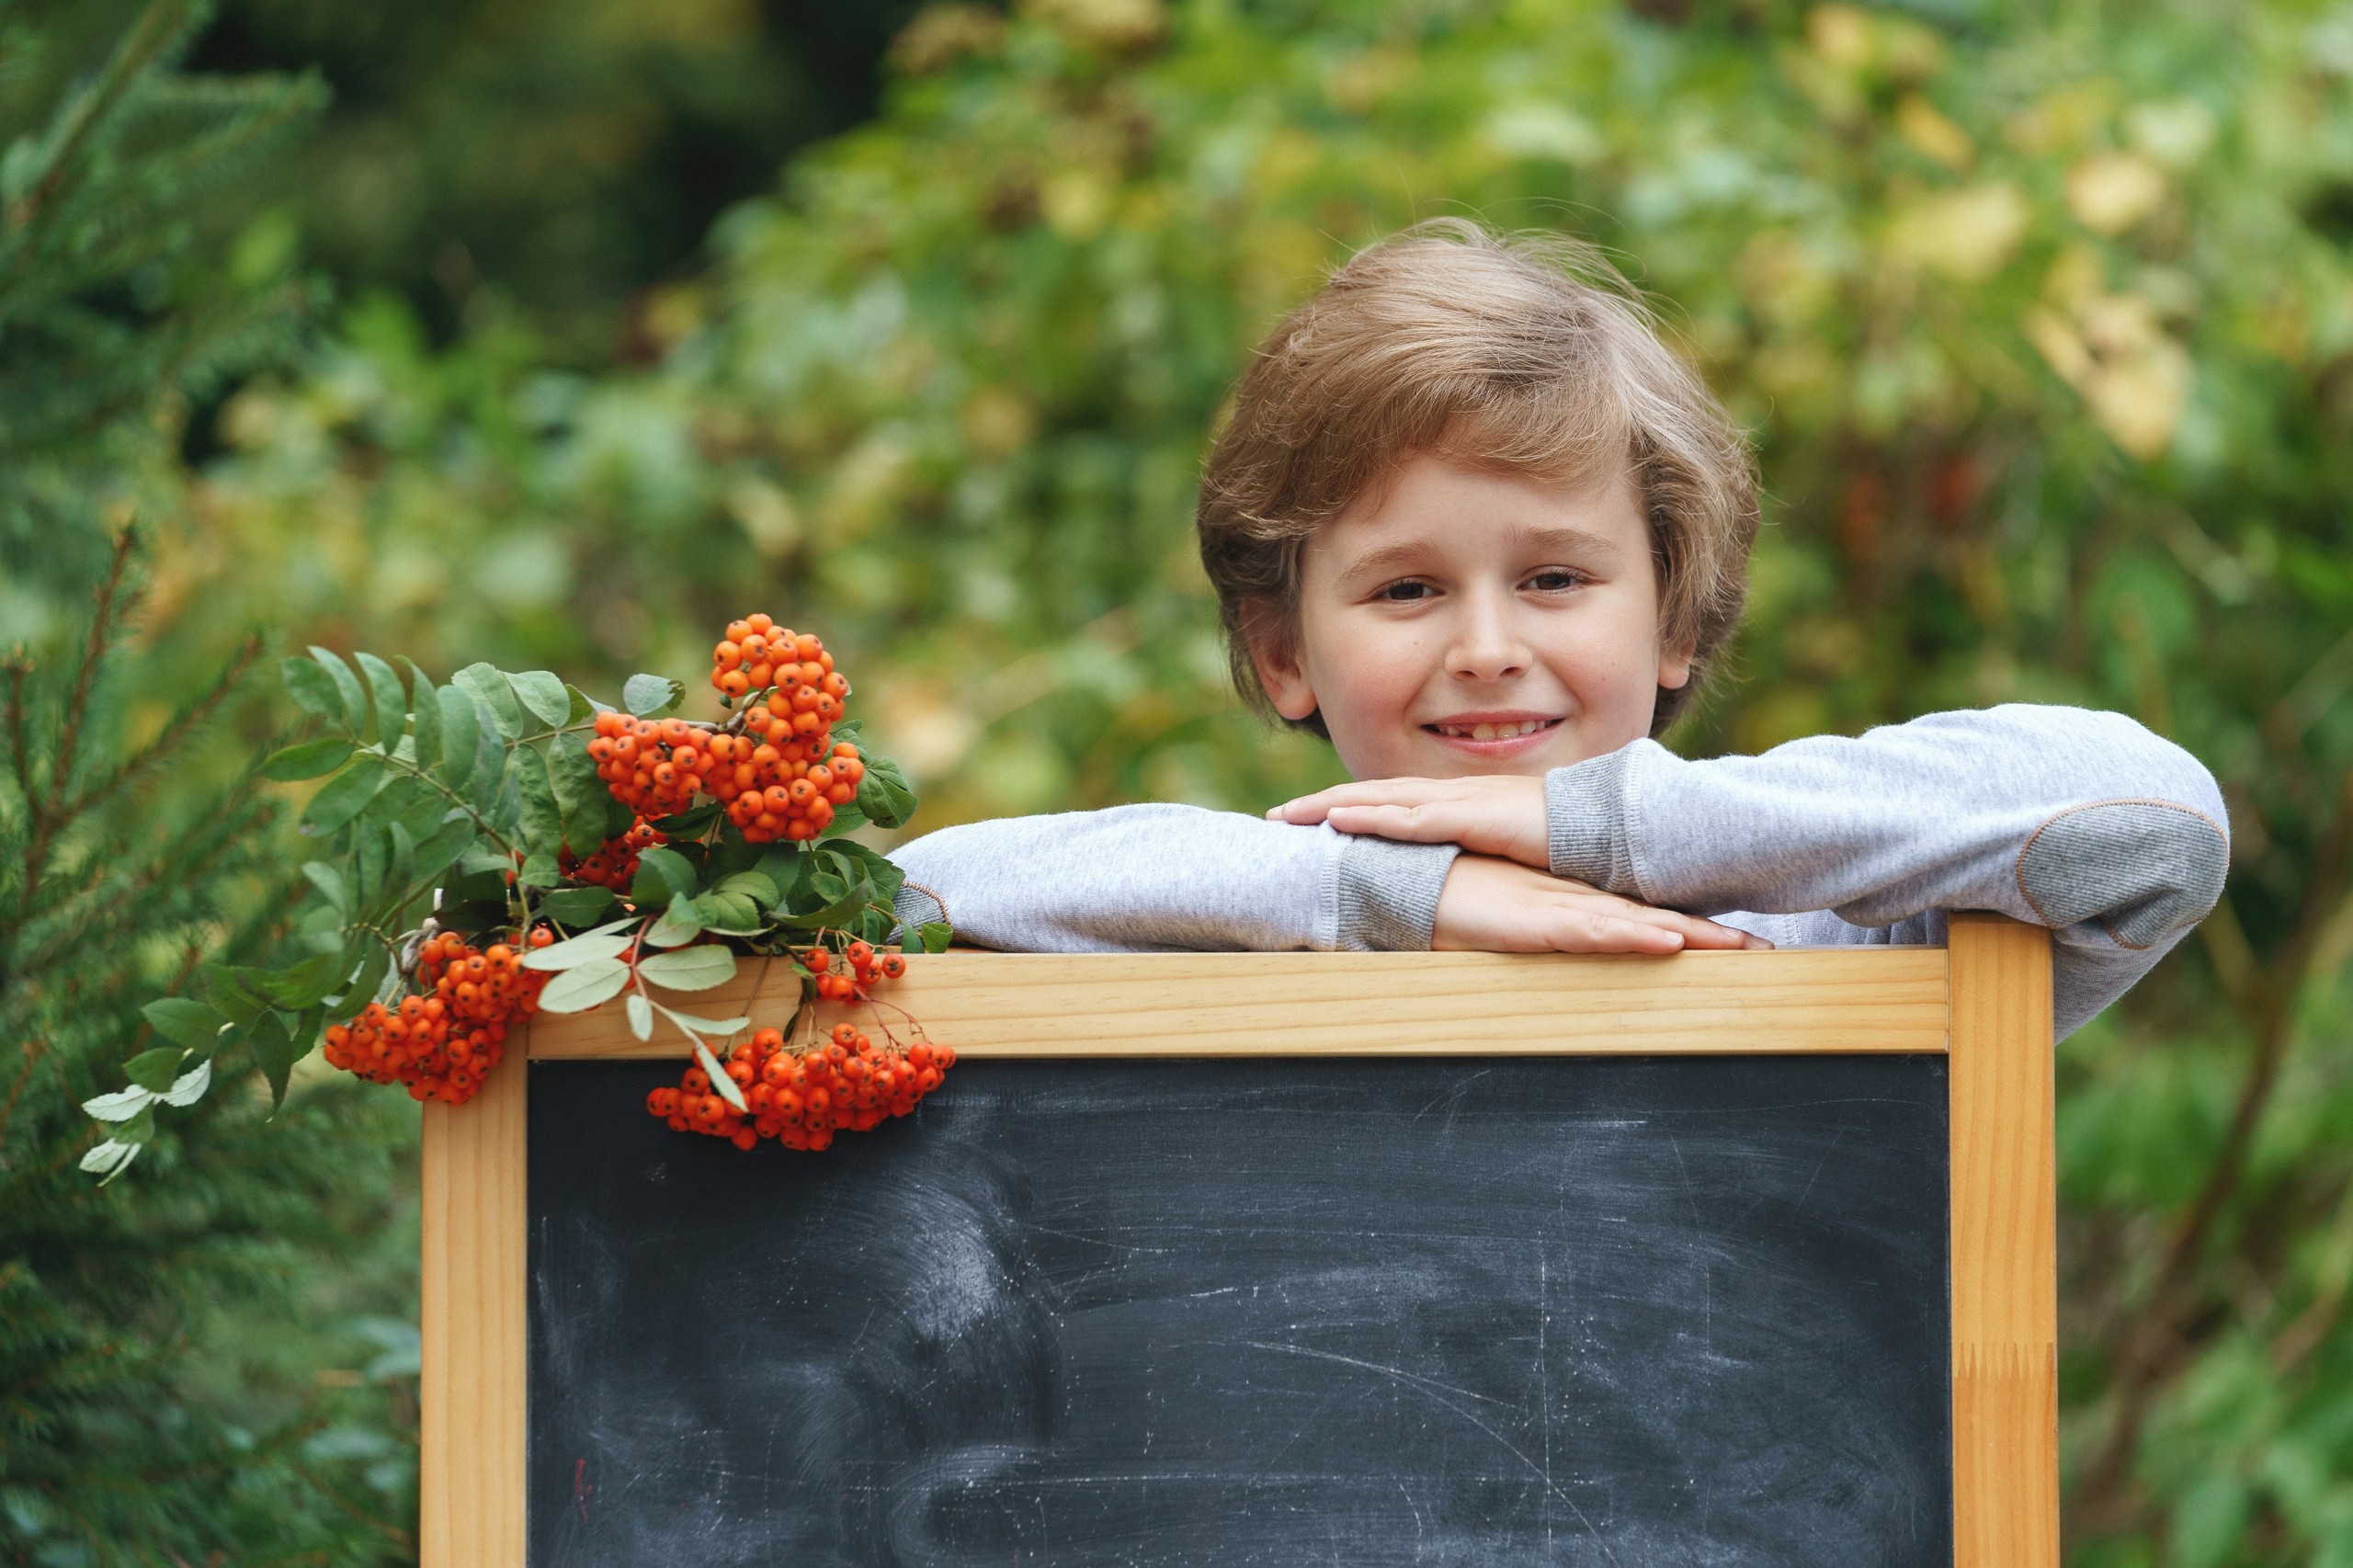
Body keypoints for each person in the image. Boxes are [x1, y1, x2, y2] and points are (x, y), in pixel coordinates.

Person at [887, 220, 2227, 1038]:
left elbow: (2147, 822)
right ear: (1284, 647)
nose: (1484, 646)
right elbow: (918, 898)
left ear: (1675, 617)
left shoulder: (1830, 950)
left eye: (1555, 580)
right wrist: (1392, 897)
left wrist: (1613, 830)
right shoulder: (1238, 939)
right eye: (1406, 589)